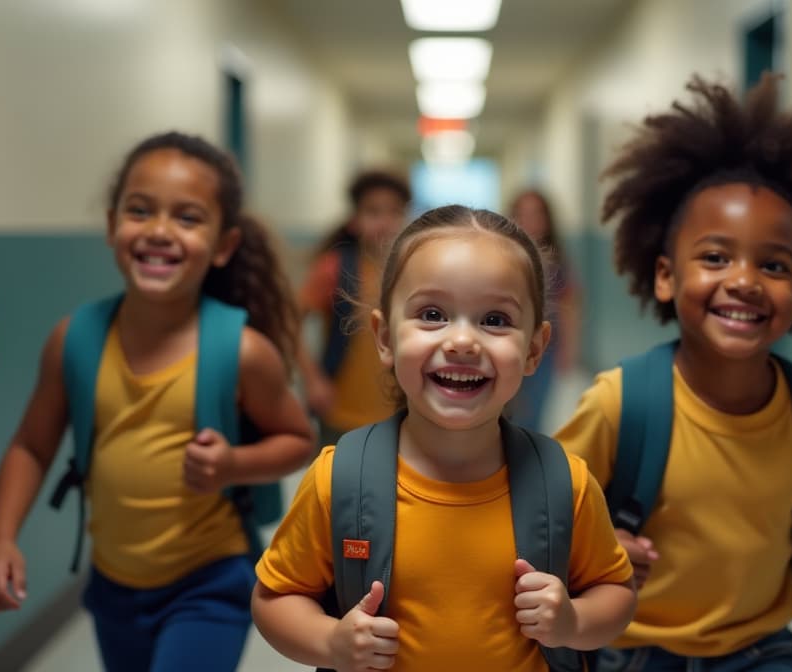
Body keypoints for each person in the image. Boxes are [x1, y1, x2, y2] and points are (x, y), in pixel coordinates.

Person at [556, 74, 792, 671]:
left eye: (774, 264)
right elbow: (537, 516)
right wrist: (591, 549)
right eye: (714, 256)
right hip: (630, 652)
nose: (744, 280)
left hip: (760, 653)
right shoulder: (620, 404)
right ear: (664, 275)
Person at [0, 131, 315, 671]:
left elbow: (299, 441)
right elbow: (31, 447)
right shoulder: (76, 339)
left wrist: (232, 464)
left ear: (223, 246)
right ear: (112, 225)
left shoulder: (241, 350)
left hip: (211, 582)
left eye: (187, 217)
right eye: (139, 210)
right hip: (113, 587)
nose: (159, 231)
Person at [252, 205, 637, 671]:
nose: (462, 341)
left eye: (495, 320)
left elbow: (616, 593)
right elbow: (275, 598)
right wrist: (330, 641)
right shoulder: (339, 479)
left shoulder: (565, 483)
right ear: (384, 338)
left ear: (534, 348)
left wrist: (572, 621)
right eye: (432, 314)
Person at [296, 170, 411, 447]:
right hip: (341, 415)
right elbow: (289, 323)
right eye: (373, 212)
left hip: (402, 416)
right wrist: (312, 380)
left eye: (394, 212)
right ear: (355, 220)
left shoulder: (412, 270)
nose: (385, 222)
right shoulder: (334, 268)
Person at [507, 189, 582, 432]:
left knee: (534, 413)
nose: (529, 221)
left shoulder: (557, 262)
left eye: (536, 214)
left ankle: (527, 459)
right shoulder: (502, 258)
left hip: (545, 350)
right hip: (508, 346)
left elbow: (569, 306)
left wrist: (569, 349)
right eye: (523, 214)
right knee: (507, 410)